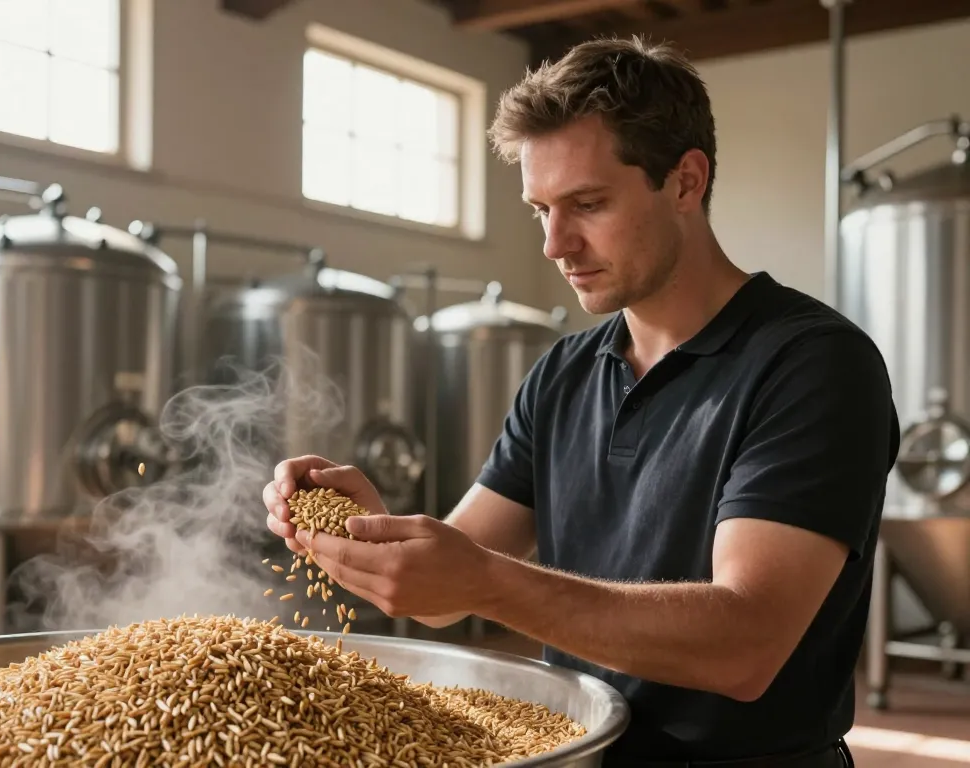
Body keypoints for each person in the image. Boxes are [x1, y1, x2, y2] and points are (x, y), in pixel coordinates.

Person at [264, 35, 899, 767]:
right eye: (540, 209)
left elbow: (744, 645)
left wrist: (485, 581)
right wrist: (370, 532)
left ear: (687, 182)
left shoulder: (811, 363)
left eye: (587, 204)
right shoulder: (564, 372)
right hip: (578, 753)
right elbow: (447, 592)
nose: (553, 244)